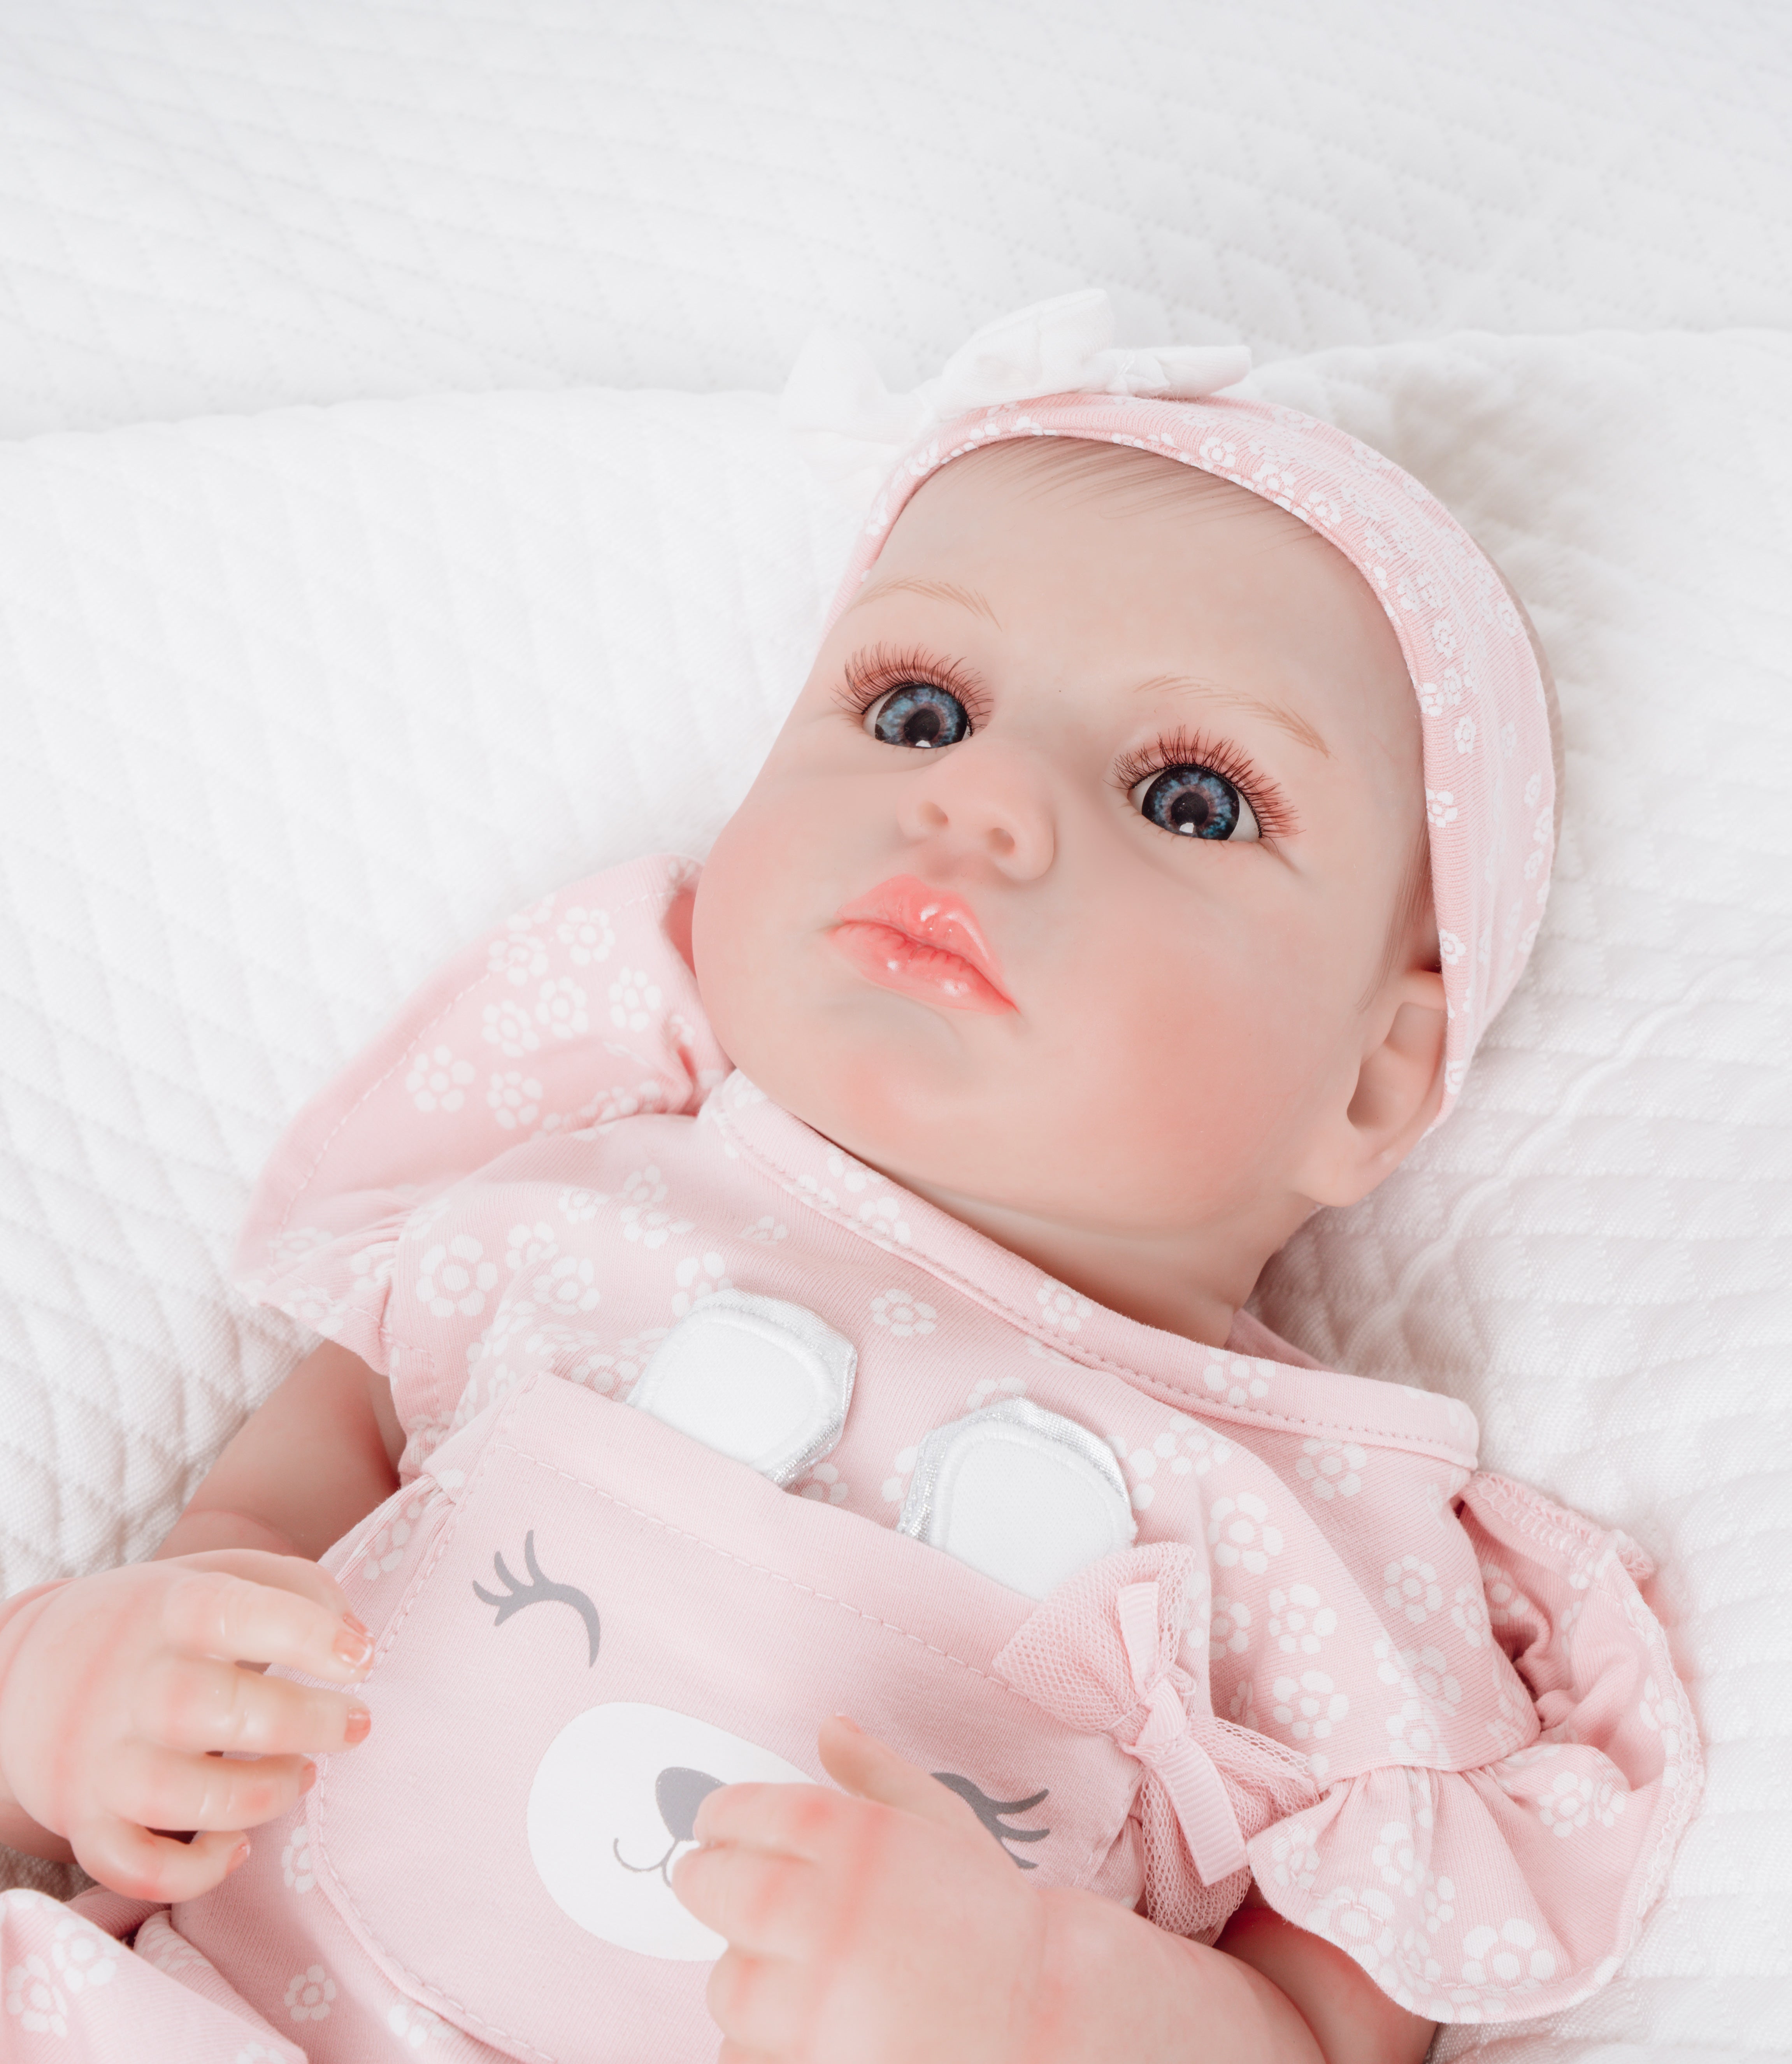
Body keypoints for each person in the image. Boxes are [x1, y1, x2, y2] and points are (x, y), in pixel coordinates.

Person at [0, 295, 1697, 2063]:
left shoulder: (1315, 1532)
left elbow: (1330, 2033)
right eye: (918, 709)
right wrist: (64, 1698)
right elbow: (241, 1561)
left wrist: (1040, 2002)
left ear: (1375, 1079)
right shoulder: (572, 1214)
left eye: (1188, 798)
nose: (985, 802)